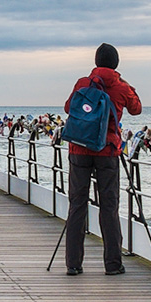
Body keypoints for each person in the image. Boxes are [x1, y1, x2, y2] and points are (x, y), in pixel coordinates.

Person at [61, 43, 143, 276]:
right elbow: (136, 108)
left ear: (96, 62)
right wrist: (128, 87)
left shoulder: (82, 83)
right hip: (107, 152)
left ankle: (73, 264)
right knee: (109, 206)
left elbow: (68, 107)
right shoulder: (120, 86)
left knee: (77, 205)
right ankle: (113, 264)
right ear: (116, 63)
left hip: (79, 150)